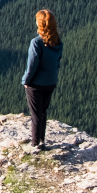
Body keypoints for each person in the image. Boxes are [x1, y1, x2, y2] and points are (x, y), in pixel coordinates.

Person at [21, 9, 63, 148]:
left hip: (36, 83)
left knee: (36, 114)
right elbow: (57, 62)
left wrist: (26, 81)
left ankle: (35, 144)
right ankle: (42, 141)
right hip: (51, 81)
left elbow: (32, 64)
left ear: (40, 24)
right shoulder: (57, 42)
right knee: (43, 112)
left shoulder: (36, 42)